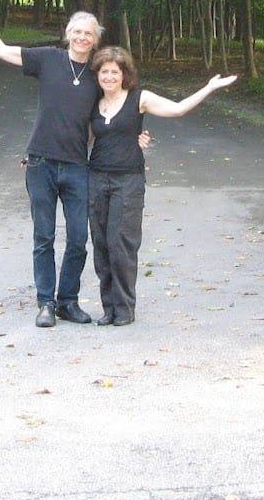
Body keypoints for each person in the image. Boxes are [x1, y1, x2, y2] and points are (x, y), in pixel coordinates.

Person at [0, 0, 101, 328]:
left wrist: (136, 135)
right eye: (77, 31)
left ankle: (68, 301)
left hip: (78, 166)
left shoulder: (98, 75)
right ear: (68, 33)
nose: (82, 37)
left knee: (79, 238)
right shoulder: (48, 59)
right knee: (44, 237)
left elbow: (115, 113)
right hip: (41, 163)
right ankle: (46, 303)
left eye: (88, 33)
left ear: (96, 40)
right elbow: (0, 50)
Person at [87, 45, 236, 326]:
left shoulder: (138, 98)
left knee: (122, 245)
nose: (108, 77)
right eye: (104, 72)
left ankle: (125, 308)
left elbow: (178, 109)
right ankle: (109, 307)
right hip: (96, 178)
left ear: (124, 74)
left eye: (114, 72)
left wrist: (209, 88)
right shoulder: (93, 101)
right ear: (97, 75)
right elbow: (80, 137)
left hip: (128, 180)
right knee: (101, 245)